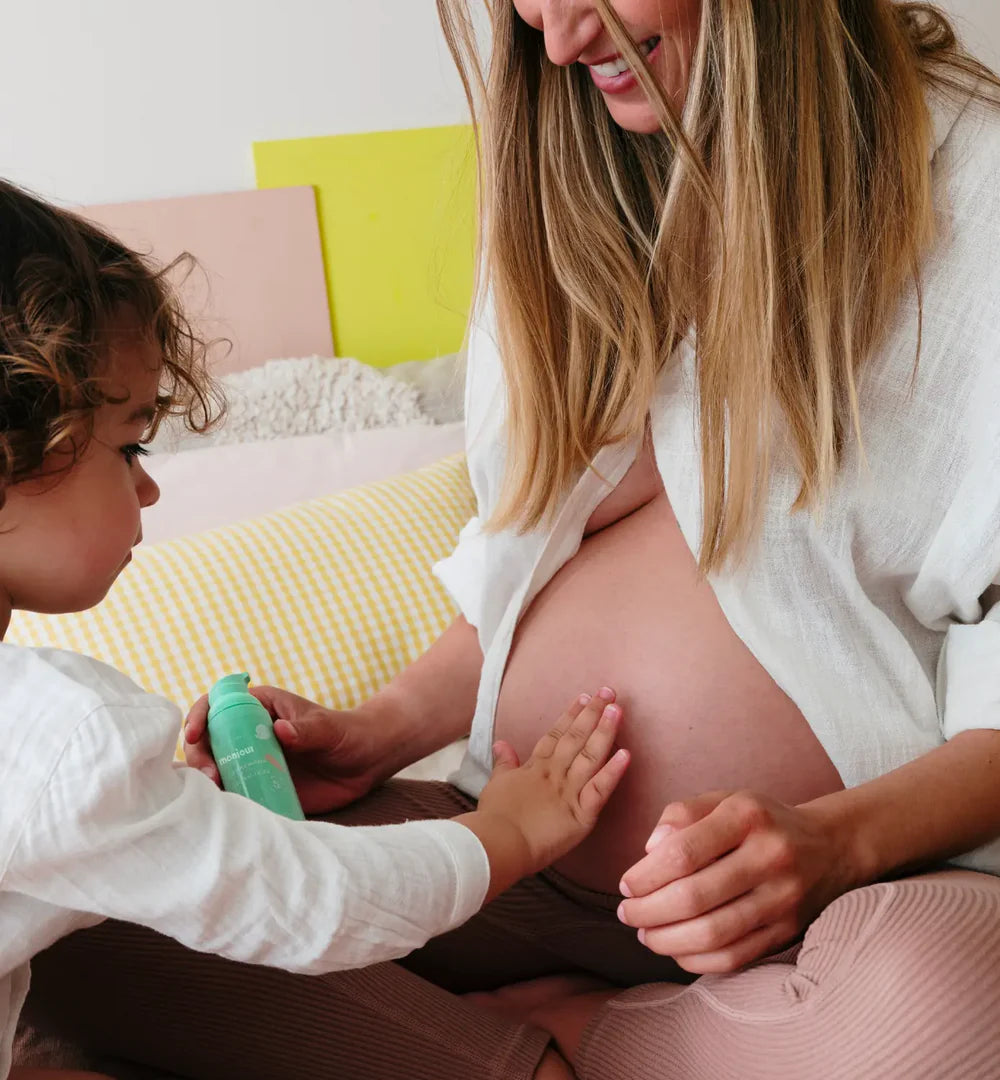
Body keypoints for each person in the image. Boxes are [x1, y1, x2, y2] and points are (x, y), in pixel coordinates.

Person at [19, 1, 1000, 1078]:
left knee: (977, 1012)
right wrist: (383, 727)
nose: (557, 35)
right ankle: (538, 1056)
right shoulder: (566, 178)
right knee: (88, 898)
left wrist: (831, 845)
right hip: (519, 854)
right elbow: (524, 549)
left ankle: (582, 1042)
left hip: (859, 891)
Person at [0, 178, 631, 1080]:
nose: (148, 489)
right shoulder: (62, 736)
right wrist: (511, 834)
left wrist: (176, 816)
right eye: (130, 446)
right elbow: (309, 900)